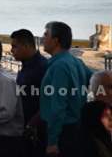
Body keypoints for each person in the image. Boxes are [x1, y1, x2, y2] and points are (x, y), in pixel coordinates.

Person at [40, 21, 92, 157]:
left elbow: (58, 107)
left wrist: (52, 141)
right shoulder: (76, 61)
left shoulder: (60, 66)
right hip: (75, 127)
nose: (42, 38)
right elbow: (95, 80)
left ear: (56, 40)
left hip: (62, 133)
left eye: (46, 34)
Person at [10, 28, 48, 157]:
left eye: (14, 46)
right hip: (23, 130)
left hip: (37, 134)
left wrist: (32, 124)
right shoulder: (26, 66)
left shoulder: (42, 68)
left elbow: (49, 102)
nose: (11, 50)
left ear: (26, 46)